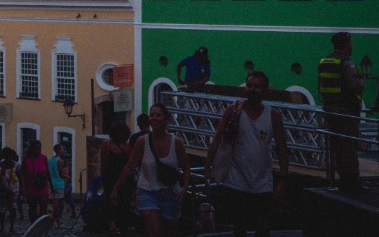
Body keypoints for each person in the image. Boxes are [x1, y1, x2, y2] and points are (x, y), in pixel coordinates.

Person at [204, 70, 289, 237]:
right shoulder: (233, 111)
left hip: (263, 181)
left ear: (265, 91)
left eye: (257, 87)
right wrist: (208, 167)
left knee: (263, 226)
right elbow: (217, 139)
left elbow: (283, 149)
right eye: (249, 85)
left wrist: (283, 180)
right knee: (239, 226)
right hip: (236, 180)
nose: (252, 89)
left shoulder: (273, 116)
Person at [111, 103, 191, 237]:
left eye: (158, 115)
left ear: (166, 119)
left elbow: (186, 169)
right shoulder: (142, 141)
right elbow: (130, 166)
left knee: (168, 231)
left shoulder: (176, 142)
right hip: (147, 192)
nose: (154, 118)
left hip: (170, 193)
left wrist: (184, 190)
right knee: (155, 230)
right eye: (152, 115)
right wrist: (116, 189)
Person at [318, 31, 366, 193]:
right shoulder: (347, 64)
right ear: (346, 45)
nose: (352, 45)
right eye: (350, 43)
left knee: (336, 146)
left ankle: (339, 179)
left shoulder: (325, 60)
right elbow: (355, 87)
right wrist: (361, 80)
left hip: (329, 110)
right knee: (349, 146)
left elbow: (320, 86)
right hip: (346, 111)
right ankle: (352, 183)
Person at [102, 122, 133, 237]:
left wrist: (103, 179)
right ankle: (122, 228)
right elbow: (130, 166)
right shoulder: (128, 147)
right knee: (124, 205)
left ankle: (112, 226)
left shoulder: (106, 145)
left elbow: (104, 164)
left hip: (110, 179)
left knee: (110, 204)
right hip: (125, 181)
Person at [18, 140, 49, 222]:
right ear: (32, 149)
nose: (38, 151)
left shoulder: (44, 158)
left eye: (39, 149)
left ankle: (42, 224)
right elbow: (22, 174)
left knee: (44, 205)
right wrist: (22, 188)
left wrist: (52, 187)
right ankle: (33, 225)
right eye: (36, 149)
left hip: (42, 185)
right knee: (32, 207)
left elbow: (47, 172)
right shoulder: (26, 160)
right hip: (31, 186)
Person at [0, 147, 20, 234]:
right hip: (3, 191)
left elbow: (19, 177)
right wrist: (5, 189)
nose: (8, 159)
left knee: (13, 209)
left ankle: (11, 227)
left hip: (14, 191)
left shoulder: (17, 166)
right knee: (2, 210)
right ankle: (2, 226)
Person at [48, 143, 67, 227]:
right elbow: (61, 174)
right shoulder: (60, 161)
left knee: (54, 202)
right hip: (59, 183)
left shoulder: (50, 160)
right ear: (58, 150)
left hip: (52, 183)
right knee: (56, 204)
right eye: (62, 148)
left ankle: (58, 221)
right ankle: (52, 222)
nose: (63, 150)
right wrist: (68, 176)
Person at [59, 154, 77, 219]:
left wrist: (63, 184)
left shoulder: (64, 169)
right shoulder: (66, 168)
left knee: (62, 201)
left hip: (65, 185)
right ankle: (73, 214)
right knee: (69, 200)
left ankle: (59, 215)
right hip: (67, 185)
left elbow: (66, 178)